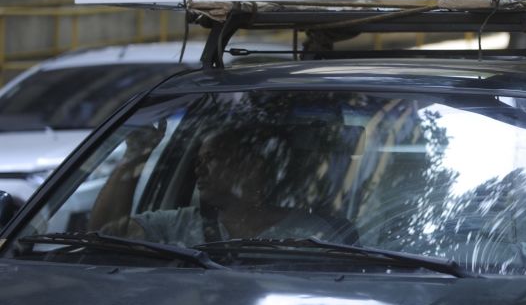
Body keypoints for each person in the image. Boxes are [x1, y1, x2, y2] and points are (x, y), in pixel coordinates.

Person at [89, 124, 344, 245]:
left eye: (211, 158)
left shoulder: (312, 235)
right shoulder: (177, 225)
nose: (198, 169)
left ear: (250, 165)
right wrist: (135, 155)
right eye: (198, 161)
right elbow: (104, 235)